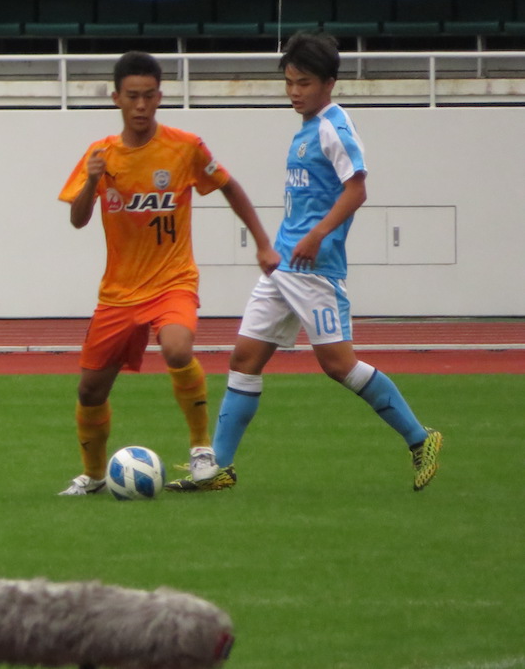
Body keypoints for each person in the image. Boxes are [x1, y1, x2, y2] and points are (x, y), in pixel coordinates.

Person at [166, 32, 442, 492]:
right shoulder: (307, 127)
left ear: (329, 83)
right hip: (284, 266)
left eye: (305, 83)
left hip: (315, 269)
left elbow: (357, 189)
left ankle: (420, 438)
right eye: (290, 82)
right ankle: (219, 469)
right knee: (243, 358)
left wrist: (316, 234)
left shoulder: (335, 126)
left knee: (339, 366)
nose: (295, 91)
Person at [56, 51, 277, 496]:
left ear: (161, 96)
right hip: (118, 294)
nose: (141, 105)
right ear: (115, 97)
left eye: (149, 96)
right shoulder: (99, 154)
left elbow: (230, 187)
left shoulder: (185, 147)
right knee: (89, 392)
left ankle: (201, 449)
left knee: (177, 348)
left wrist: (263, 242)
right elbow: (78, 219)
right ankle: (95, 477)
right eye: (132, 96)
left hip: (173, 281)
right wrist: (91, 183)